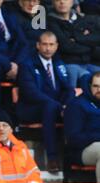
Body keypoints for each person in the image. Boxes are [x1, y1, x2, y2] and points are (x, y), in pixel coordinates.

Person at [17, 31, 75, 172]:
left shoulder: (58, 63)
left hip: (56, 107)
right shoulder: (27, 64)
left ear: (56, 46)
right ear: (38, 45)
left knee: (75, 106)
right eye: (44, 44)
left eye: (51, 45)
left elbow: (68, 89)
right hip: (32, 109)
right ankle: (52, 158)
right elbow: (31, 93)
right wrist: (58, 106)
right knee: (49, 107)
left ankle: (73, 157)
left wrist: (65, 104)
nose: (48, 48)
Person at [0, 113, 43, 183]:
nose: (1, 128)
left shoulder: (21, 147)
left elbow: (33, 172)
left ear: (11, 130)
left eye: (5, 125)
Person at [47, 0, 100, 87]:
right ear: (52, 3)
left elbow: (97, 38)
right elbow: (66, 46)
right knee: (78, 78)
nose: (62, 2)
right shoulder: (50, 21)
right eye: (57, 0)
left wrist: (77, 39)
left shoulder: (81, 18)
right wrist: (90, 46)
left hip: (88, 62)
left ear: (72, 2)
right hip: (68, 63)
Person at [64, 72, 100, 183]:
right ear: (89, 86)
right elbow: (73, 139)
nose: (99, 89)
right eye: (96, 86)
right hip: (80, 151)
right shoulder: (77, 105)